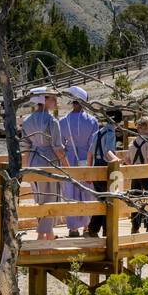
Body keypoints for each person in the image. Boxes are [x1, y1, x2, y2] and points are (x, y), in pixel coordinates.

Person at [21, 89, 67, 240]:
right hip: (49, 160)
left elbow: (25, 146)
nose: (55, 102)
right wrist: (67, 166)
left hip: (34, 160)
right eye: (53, 99)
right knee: (50, 198)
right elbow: (58, 148)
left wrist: (25, 167)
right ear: (45, 100)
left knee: (39, 198)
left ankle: (49, 233)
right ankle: (42, 234)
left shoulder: (27, 121)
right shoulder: (52, 121)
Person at [59, 86, 99, 237]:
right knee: (87, 192)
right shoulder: (92, 121)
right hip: (86, 159)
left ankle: (73, 228)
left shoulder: (63, 121)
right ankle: (87, 226)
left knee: (70, 192)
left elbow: (60, 145)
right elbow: (93, 145)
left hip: (69, 160)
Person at [84, 107, 124, 238]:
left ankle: (93, 229)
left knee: (101, 199)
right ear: (118, 122)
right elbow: (108, 152)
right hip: (107, 167)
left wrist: (89, 171)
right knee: (110, 200)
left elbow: (90, 153)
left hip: (96, 166)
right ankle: (107, 231)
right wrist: (117, 160)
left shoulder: (99, 132)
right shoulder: (110, 133)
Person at [126, 115, 148, 234]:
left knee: (135, 199)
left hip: (135, 173)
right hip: (147, 173)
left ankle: (135, 226)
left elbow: (127, 160)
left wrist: (133, 167)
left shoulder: (132, 143)